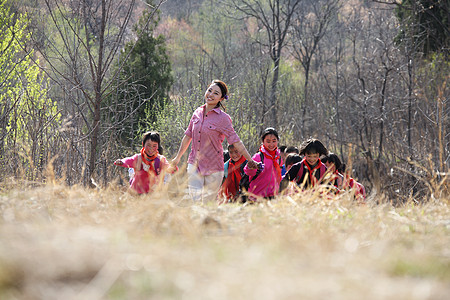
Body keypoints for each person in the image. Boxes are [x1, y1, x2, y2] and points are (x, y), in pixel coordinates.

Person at [171, 80, 257, 203]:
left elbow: (235, 141)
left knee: (208, 203)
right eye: (209, 90)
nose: (211, 94)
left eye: (216, 93)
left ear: (221, 98)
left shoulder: (224, 119)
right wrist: (177, 158)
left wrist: (249, 159)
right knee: (195, 199)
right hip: (194, 163)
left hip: (214, 167)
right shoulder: (197, 113)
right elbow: (187, 136)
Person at [243, 127, 283, 201]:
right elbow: (248, 171)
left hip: (273, 197)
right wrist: (251, 168)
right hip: (257, 197)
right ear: (263, 141)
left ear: (277, 141)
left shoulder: (278, 158)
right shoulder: (258, 156)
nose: (271, 144)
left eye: (274, 141)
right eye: (268, 141)